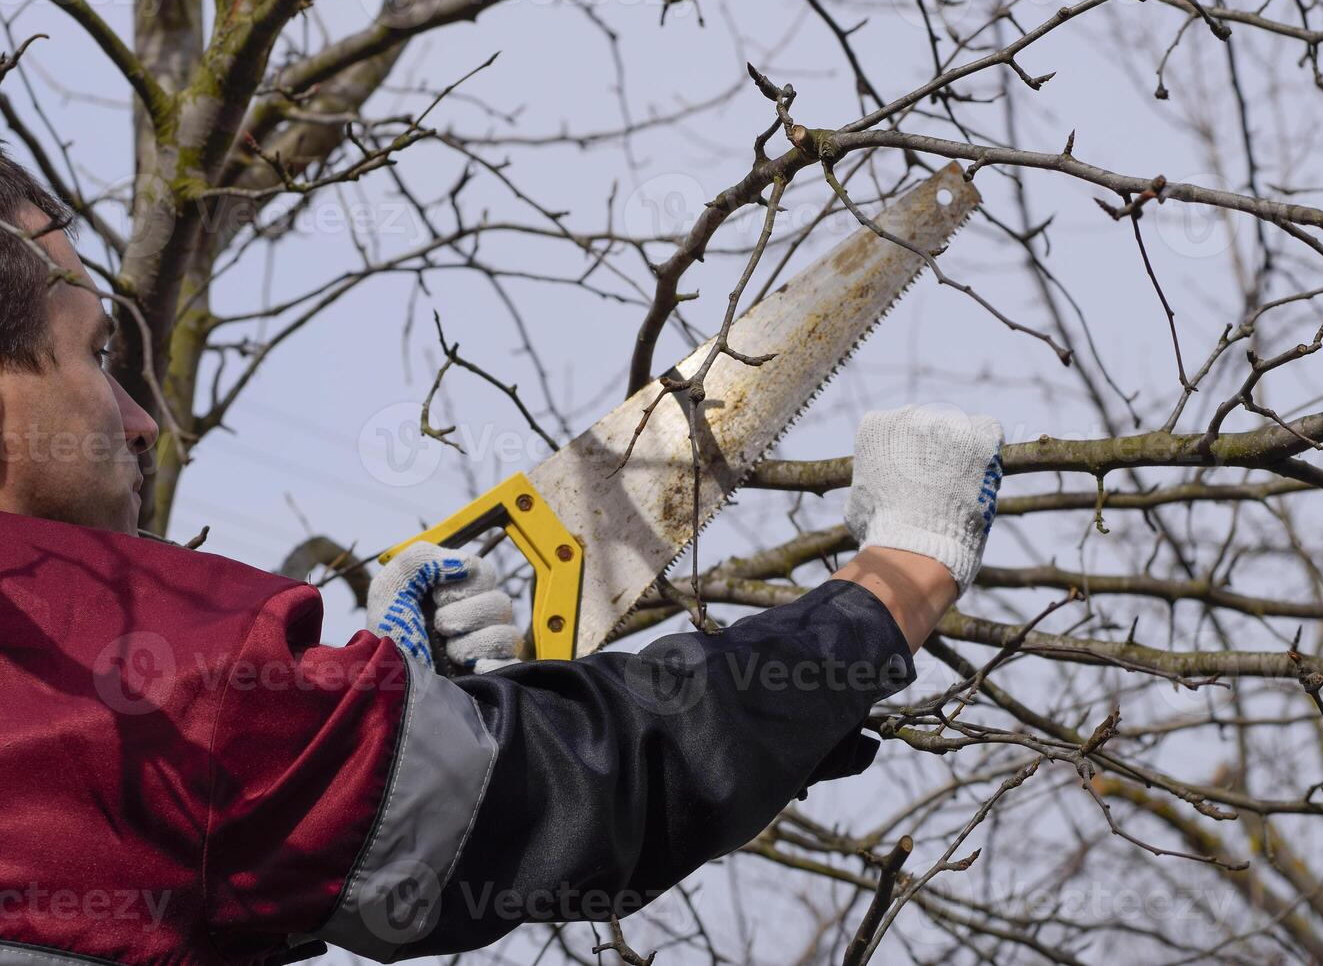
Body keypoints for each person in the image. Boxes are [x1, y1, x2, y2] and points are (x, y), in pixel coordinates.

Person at [0, 148, 1005, 965]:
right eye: (93, 354)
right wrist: (895, 581)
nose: (139, 421)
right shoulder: (162, 694)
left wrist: (374, 711)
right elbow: (596, 784)